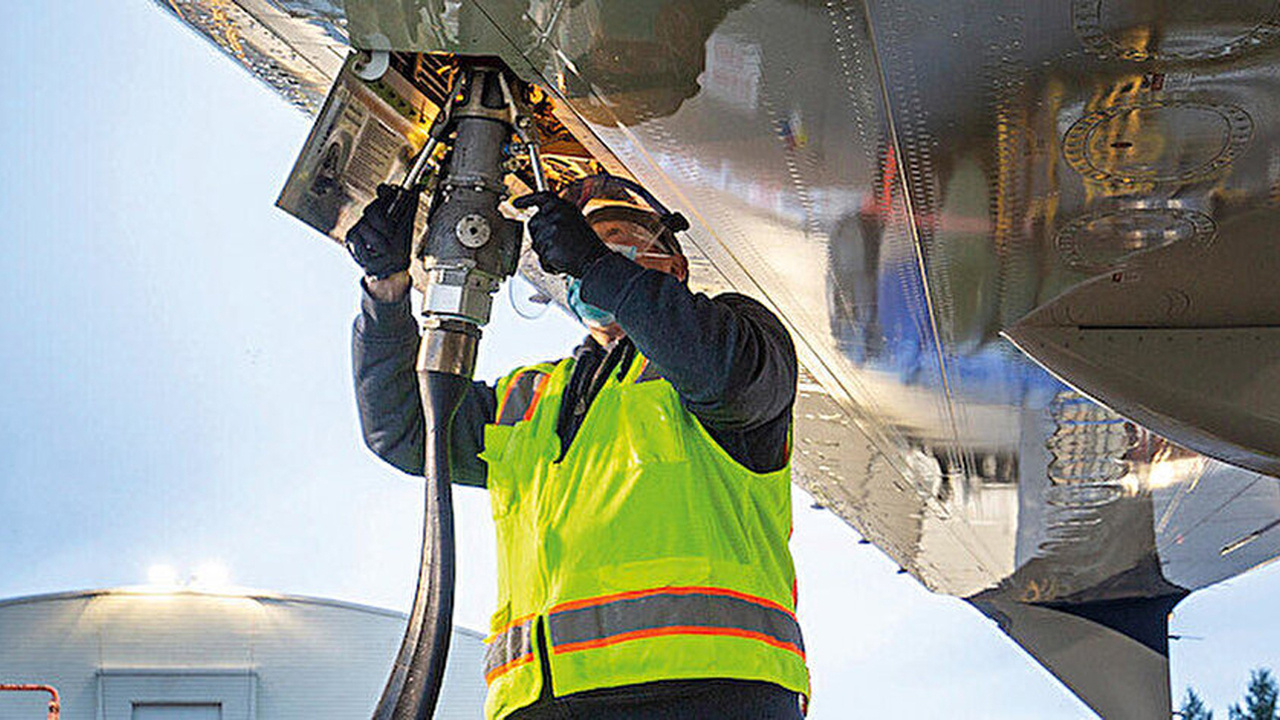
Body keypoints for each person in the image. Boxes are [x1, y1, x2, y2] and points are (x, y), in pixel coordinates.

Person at [348, 177, 809, 719]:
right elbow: (403, 428)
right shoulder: (531, 396)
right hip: (540, 701)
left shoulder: (734, 342)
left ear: (674, 266)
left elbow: (720, 371)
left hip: (704, 693)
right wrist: (386, 288)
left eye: (616, 240)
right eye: (581, 247)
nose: (590, 257)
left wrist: (599, 266)